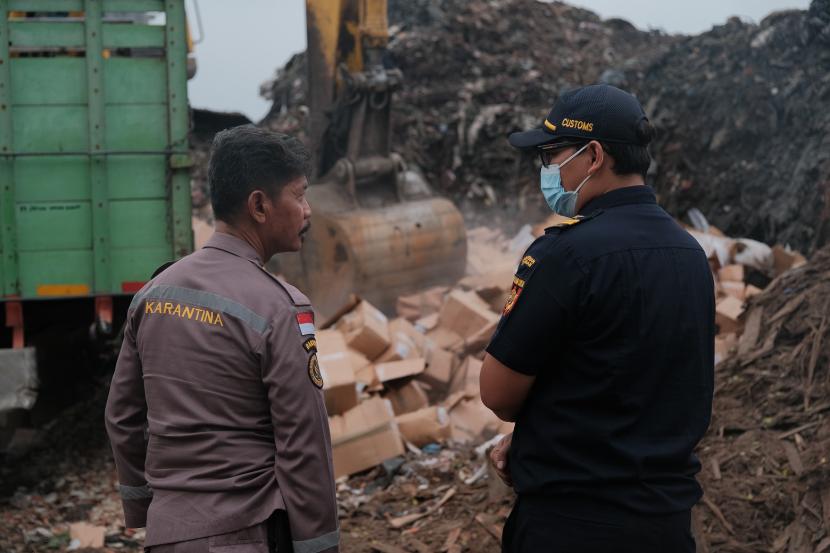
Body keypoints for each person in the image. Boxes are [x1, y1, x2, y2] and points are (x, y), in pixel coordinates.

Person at [480, 84, 714, 553]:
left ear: (593, 155)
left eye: (552, 154)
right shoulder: (690, 255)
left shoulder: (566, 255)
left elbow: (499, 394)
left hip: (573, 526)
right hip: (665, 527)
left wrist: (531, 442)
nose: (546, 169)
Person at [105, 126, 339, 553]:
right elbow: (304, 443)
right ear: (259, 206)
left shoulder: (152, 295)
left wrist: (145, 508)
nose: (307, 211)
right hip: (245, 533)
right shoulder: (279, 307)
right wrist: (320, 546)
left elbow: (122, 417)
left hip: (167, 534)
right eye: (299, 195)